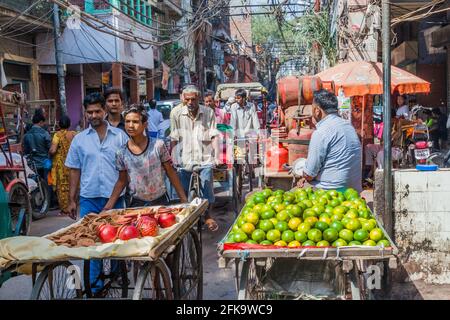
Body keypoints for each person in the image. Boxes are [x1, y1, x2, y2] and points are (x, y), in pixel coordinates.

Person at [65, 92, 128, 294]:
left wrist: (111, 202)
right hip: (89, 199)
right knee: (91, 245)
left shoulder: (120, 136)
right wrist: (71, 200)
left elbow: (125, 173)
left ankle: (118, 276)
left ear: (105, 110)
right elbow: (74, 170)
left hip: (116, 199)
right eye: (89, 112)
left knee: (116, 244)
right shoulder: (79, 140)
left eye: (97, 111)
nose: (93, 115)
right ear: (85, 114)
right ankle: (95, 289)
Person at [104, 104, 187, 209]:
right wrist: (107, 207)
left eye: (135, 122)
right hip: (135, 203)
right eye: (127, 121)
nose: (130, 125)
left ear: (145, 124)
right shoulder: (121, 152)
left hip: (160, 201)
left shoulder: (158, 145)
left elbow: (170, 172)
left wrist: (183, 199)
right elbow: (122, 180)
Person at [170, 85, 220, 232]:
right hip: (184, 158)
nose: (190, 102)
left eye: (193, 99)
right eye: (187, 99)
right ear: (183, 99)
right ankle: (185, 216)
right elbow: (174, 137)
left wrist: (216, 156)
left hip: (204, 158)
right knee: (182, 191)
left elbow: (214, 136)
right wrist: (173, 157)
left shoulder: (208, 112)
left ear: (199, 98)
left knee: (207, 186)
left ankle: (208, 215)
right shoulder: (176, 113)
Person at [299, 89, 362, 192]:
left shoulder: (321, 132)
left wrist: (304, 175)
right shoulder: (348, 126)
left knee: (294, 192)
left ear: (317, 111)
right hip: (353, 190)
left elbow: (309, 174)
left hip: (331, 193)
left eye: (313, 108)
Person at [49, 115, 77, 215]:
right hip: (73, 164)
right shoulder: (75, 134)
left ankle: (65, 210)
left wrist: (49, 152)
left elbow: (53, 150)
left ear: (59, 124)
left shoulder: (57, 135)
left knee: (62, 188)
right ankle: (74, 205)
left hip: (61, 166)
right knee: (73, 184)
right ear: (69, 124)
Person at [23, 111, 51, 180]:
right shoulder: (45, 133)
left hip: (33, 164)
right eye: (43, 123)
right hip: (45, 163)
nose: (44, 125)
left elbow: (25, 151)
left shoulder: (26, 135)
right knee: (47, 182)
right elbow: (50, 148)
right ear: (41, 122)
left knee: (35, 183)